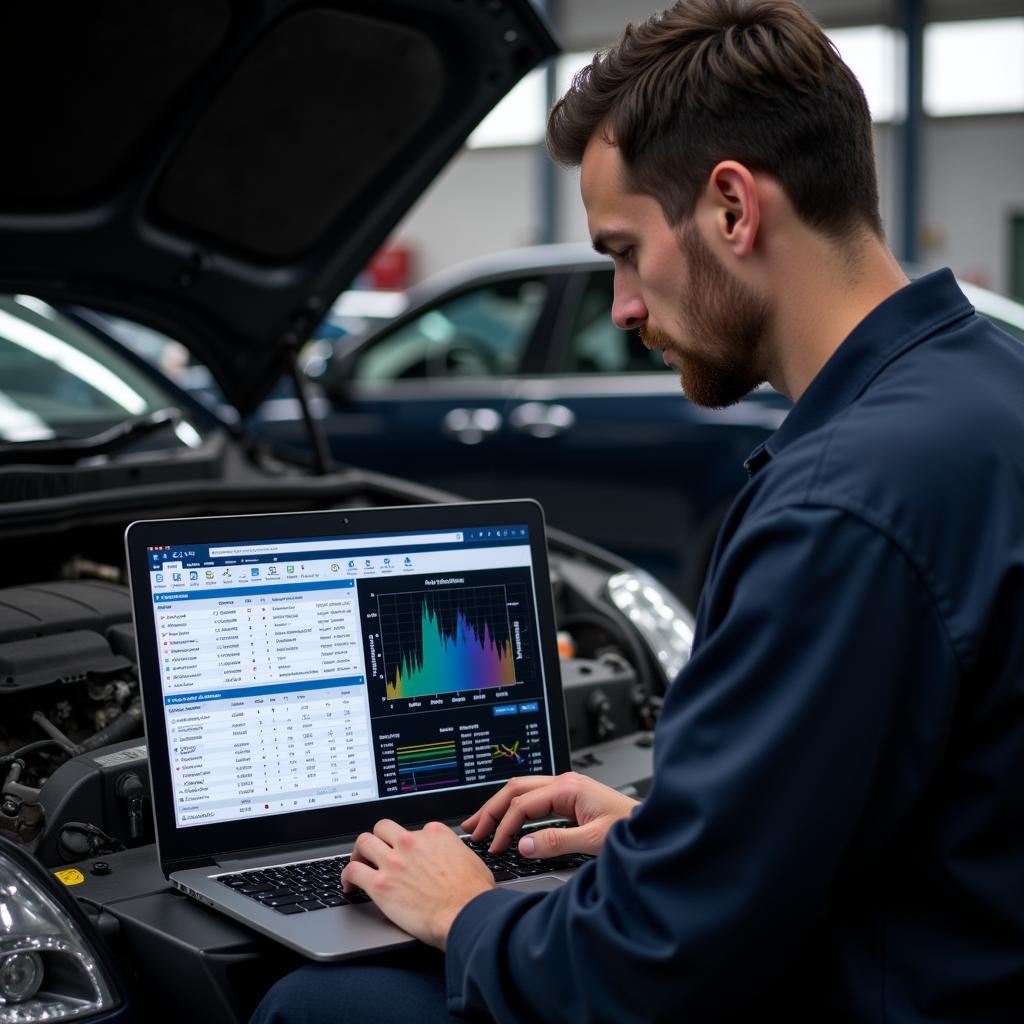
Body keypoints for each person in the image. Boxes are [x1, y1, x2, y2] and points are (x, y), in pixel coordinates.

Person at [252, 1, 1024, 1020]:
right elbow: (909, 790)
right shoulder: (989, 385)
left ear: (733, 209)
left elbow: (639, 969)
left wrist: (467, 910)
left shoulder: (842, 506)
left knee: (314, 1004)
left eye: (622, 250)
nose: (621, 305)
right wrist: (658, 830)